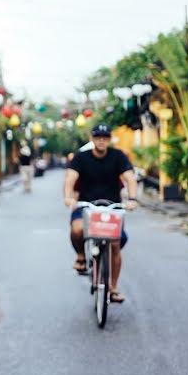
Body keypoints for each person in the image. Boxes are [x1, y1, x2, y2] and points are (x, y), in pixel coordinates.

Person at [63, 123, 138, 303]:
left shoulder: (118, 156)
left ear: (109, 139)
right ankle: (81, 256)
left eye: (105, 137)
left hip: (112, 207)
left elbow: (129, 177)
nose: (101, 141)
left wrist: (132, 198)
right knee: (77, 229)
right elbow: (70, 178)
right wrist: (69, 197)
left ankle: (112, 288)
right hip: (86, 205)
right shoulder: (81, 158)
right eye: (98, 137)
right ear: (92, 139)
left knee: (115, 243)